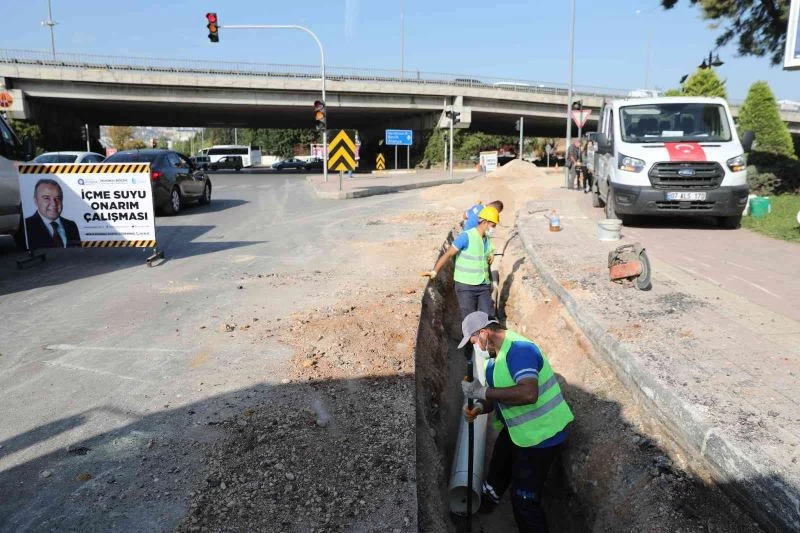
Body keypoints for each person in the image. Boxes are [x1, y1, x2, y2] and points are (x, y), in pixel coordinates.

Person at [458, 311, 574, 533]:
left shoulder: (519, 351)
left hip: (543, 436)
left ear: (484, 333)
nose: (477, 348)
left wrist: (482, 391)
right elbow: (500, 397)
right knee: (499, 461)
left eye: (475, 341)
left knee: (524, 500)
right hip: (519, 431)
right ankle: (489, 498)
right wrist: (480, 407)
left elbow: (528, 393)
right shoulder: (495, 357)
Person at [423, 206, 499, 319]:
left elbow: (487, 249)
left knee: (489, 318)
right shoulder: (466, 236)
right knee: (470, 320)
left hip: (483, 285)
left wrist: (491, 253)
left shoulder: (486, 238)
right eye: (493, 225)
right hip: (466, 285)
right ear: (484, 222)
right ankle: (469, 336)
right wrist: (435, 271)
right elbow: (448, 254)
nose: (494, 229)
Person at [24, 178, 81, 249]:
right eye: (47, 198)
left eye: (58, 198)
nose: (54, 204)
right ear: (36, 201)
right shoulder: (26, 226)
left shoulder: (71, 225)